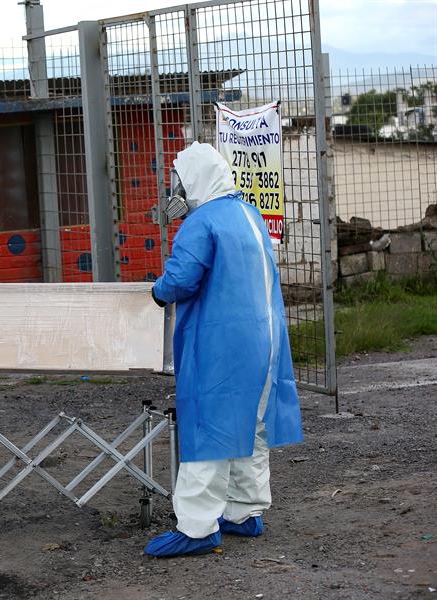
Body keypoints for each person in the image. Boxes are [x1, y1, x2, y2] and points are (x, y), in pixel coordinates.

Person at [145, 142, 303, 558]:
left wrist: (156, 292)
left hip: (223, 343)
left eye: (179, 182)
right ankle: (245, 511)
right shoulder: (249, 214)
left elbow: (180, 279)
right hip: (265, 339)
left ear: (196, 180)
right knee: (251, 425)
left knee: (209, 426)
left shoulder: (201, 222)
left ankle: (197, 527)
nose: (175, 190)